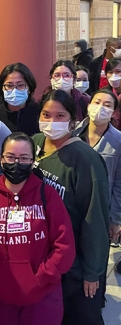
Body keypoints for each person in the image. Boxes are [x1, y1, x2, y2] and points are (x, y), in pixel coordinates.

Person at [0, 132, 75, 325]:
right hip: (3, 296)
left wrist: (41, 278)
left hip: (43, 296)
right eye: (11, 157)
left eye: (23, 158)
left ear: (32, 162)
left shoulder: (47, 195)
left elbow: (64, 245)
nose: (16, 163)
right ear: (1, 159)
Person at [33, 89, 110, 325]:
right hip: (45, 258)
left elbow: (95, 218)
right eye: (46, 115)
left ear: (73, 120)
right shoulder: (34, 144)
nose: (52, 122)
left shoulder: (84, 159)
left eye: (60, 116)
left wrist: (92, 272)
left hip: (77, 264)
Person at [73, 88, 121, 248]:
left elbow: (119, 184)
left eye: (107, 105)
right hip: (72, 206)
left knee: (96, 259)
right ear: (89, 106)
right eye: (97, 102)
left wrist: (115, 219)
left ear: (113, 112)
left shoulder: (118, 142)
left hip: (101, 210)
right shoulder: (73, 134)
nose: (101, 107)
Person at [0, 63, 40, 135]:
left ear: (29, 88)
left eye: (20, 85)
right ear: (2, 88)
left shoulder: (40, 114)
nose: (15, 90)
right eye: (9, 85)